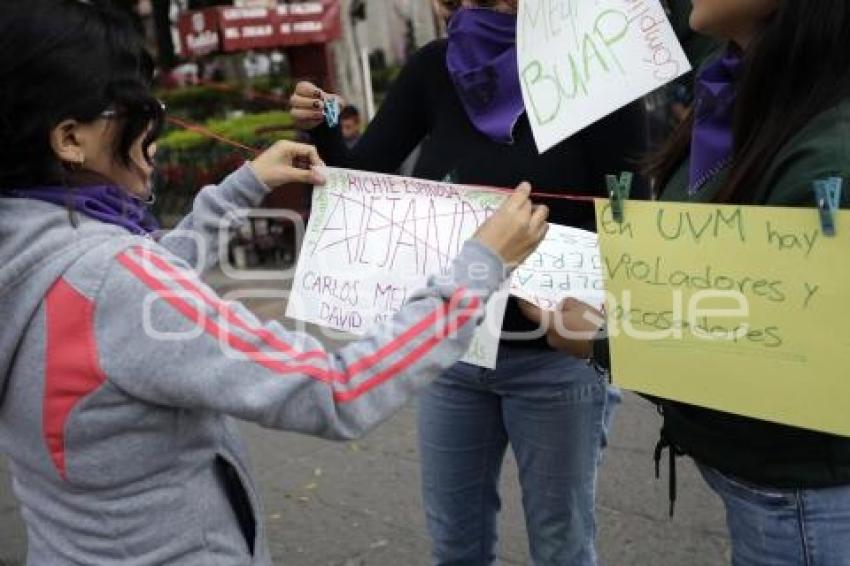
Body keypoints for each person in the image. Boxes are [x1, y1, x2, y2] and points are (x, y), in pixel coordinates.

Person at [0, 2, 549, 564]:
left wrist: (241, 187)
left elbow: (138, 297)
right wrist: (479, 267)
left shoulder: (29, 253)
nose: (156, 126)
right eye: (140, 108)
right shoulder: (117, 281)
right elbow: (339, 390)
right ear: (70, 139)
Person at [290, 1, 648, 563]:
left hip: (555, 358)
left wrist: (609, 328)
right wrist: (325, 125)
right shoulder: (436, 68)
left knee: (562, 545)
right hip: (452, 351)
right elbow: (360, 177)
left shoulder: (596, 65)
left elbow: (632, 207)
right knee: (456, 545)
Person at [526, 1, 850, 564]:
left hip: (805, 498)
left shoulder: (828, 145)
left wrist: (600, 341)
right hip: (763, 481)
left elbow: (786, 351)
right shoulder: (741, 84)